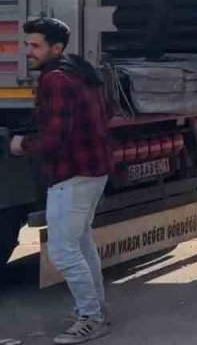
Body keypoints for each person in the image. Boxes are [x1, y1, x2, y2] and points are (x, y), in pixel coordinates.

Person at [10, 18, 113, 344]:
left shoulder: (55, 79)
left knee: (64, 250)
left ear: (56, 48)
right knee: (81, 243)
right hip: (94, 170)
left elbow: (54, 140)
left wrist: (20, 145)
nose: (28, 51)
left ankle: (91, 317)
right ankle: (96, 310)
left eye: (35, 45)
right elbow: (107, 113)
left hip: (72, 174)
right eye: (27, 44)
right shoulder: (82, 71)